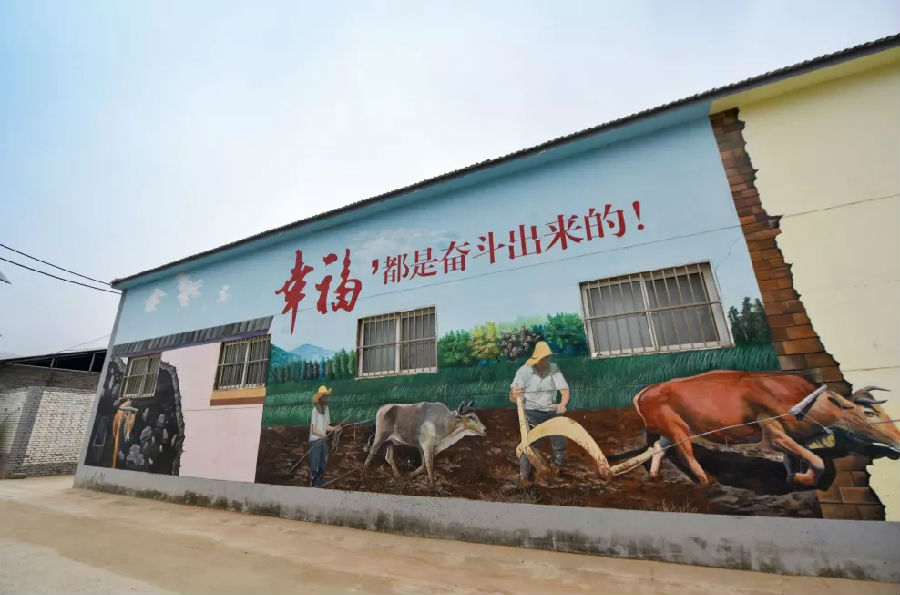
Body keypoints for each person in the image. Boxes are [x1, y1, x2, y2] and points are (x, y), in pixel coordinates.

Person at [508, 341, 570, 486]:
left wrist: (562, 404)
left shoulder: (554, 369)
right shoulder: (524, 372)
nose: (545, 361)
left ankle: (555, 468)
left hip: (551, 411)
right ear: (536, 360)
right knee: (529, 443)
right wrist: (515, 394)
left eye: (547, 358)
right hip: (531, 412)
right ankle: (524, 475)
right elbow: (512, 396)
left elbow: (565, 391)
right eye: (542, 358)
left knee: (560, 441)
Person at [309, 385, 340, 487]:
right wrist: (322, 434)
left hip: (323, 439)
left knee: (323, 461)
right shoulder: (315, 410)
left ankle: (320, 481)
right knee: (315, 461)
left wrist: (334, 428)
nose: (326, 397)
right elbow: (314, 429)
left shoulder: (326, 410)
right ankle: (313, 482)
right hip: (315, 440)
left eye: (326, 395)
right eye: (324, 395)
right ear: (320, 397)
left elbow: (326, 426)